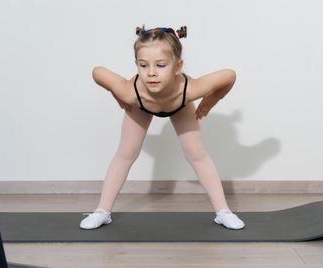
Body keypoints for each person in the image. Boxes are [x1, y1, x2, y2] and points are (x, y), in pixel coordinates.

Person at [80, 25, 245, 230]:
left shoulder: (190, 89)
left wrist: (210, 102)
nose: (151, 73)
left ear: (177, 66)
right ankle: (102, 212)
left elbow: (229, 76)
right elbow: (98, 72)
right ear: (136, 65)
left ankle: (223, 212)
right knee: (126, 154)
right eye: (143, 65)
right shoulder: (129, 92)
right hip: (141, 104)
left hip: (179, 103)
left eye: (160, 65)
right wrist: (117, 96)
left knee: (197, 154)